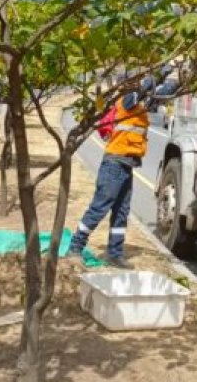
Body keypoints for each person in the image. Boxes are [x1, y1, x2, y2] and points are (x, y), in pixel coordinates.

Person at [68, 74, 174, 268]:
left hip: (126, 165)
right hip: (114, 164)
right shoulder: (126, 102)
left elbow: (159, 96)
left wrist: (175, 79)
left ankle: (115, 254)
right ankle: (75, 248)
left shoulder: (139, 107)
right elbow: (144, 88)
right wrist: (158, 74)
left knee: (121, 212)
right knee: (99, 207)